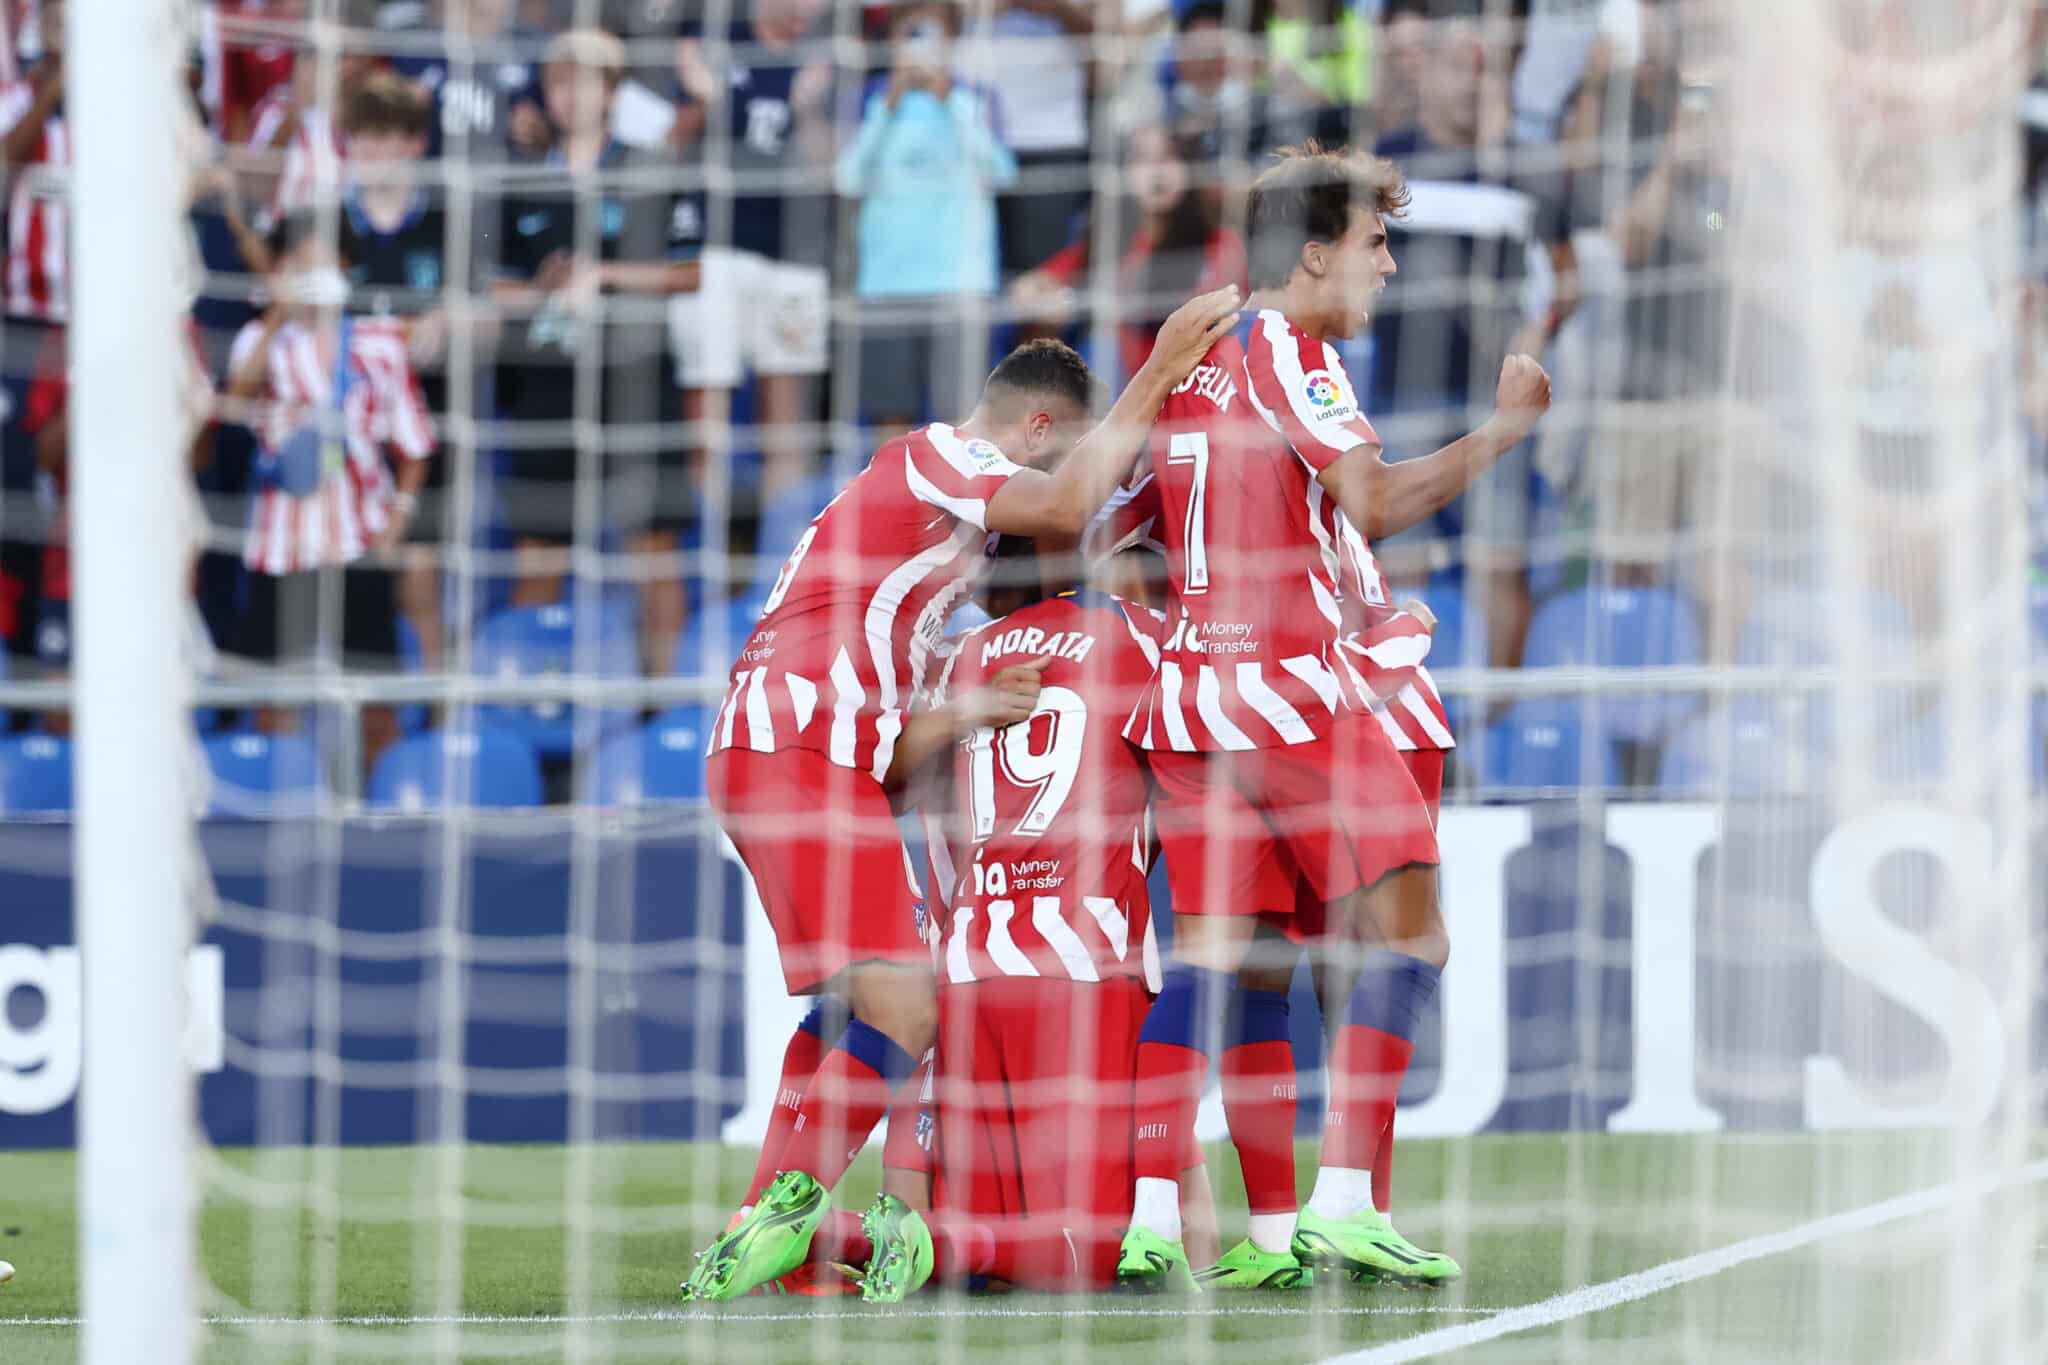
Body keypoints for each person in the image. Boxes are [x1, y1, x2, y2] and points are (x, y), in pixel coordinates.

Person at [679, 292, 1242, 1304]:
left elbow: (901, 754)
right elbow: (1066, 507)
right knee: (906, 1002)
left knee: (850, 1002)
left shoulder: (923, 554)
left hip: (795, 747)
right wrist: (1157, 369)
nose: (1062, 472)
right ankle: (785, 1216)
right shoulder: (936, 456)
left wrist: (964, 708)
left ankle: (762, 1224)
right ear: (1033, 426)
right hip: (800, 741)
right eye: (1057, 450)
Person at [1111, 143, 1550, 1292]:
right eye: (1371, 244)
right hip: (1297, 694)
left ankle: (1164, 1220)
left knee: (1225, 964)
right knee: (1409, 939)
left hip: (1191, 711)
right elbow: (1378, 499)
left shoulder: (1186, 364)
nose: (1387, 268)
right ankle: (1347, 1204)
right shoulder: (1284, 350)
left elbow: (1109, 534)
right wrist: (1502, 430)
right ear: (1313, 255)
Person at [1367, 13, 1579, 668]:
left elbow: (1566, 276)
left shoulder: (1526, 168)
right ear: (1424, 71)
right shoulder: (1384, 163)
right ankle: (1396, 712)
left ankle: (1499, 726)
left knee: (1500, 564)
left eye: (1482, 70)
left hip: (1496, 408)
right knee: (1398, 563)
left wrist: (1533, 339)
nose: (1468, 83)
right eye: (1456, 66)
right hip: (1402, 399)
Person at [492, 28, 701, 675]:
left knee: (655, 552)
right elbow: (493, 289)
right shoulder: (519, 179)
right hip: (549, 383)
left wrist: (605, 275)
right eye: (558, 83)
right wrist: (540, 286)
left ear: (610, 92)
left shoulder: (648, 166)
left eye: (584, 82)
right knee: (537, 557)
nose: (570, 96)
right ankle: (530, 711)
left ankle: (664, 707)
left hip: (634, 379)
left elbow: (690, 272)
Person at [222, 211, 438, 775]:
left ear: (345, 266)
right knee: (274, 700)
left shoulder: (379, 343)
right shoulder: (259, 340)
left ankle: (381, 811)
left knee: (375, 701)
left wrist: (396, 524)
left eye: (320, 261)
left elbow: (415, 443)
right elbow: (235, 400)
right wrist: (277, 314)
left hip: (356, 544)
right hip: (282, 545)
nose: (309, 272)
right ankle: (274, 802)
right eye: (296, 261)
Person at [669, 0, 834, 502]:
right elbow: (668, 143)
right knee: (708, 430)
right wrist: (704, 99)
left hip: (796, 259)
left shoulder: (829, 59)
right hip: (714, 251)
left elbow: (834, 170)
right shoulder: (712, 42)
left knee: (785, 432)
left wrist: (808, 109)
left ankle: (778, 559)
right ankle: (712, 561)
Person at [834, 2, 1016, 436]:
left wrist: (948, 99)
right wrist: (887, 108)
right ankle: (896, 506)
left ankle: (955, 508)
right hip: (887, 286)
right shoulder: (869, 98)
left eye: (932, 34)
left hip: (960, 284)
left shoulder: (975, 98)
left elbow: (1003, 173)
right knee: (890, 424)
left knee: (962, 422)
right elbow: (846, 180)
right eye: (911, 34)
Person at [1010, 124, 1246, 384]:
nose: (1157, 173)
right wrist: (1064, 303)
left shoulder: (1221, 244)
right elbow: (1027, 290)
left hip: (1197, 385)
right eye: (1142, 160)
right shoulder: (1114, 242)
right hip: (1130, 392)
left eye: (1168, 158)